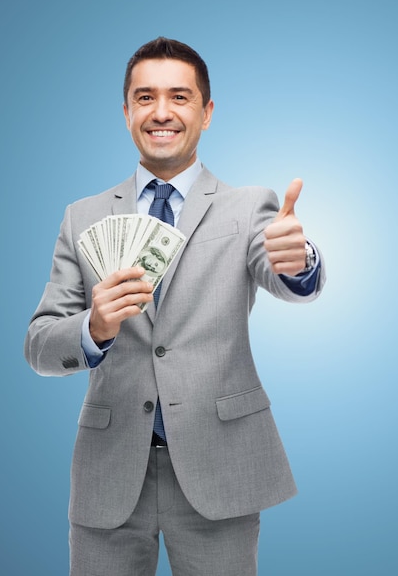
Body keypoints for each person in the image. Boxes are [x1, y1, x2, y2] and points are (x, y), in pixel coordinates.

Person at [24, 37, 325, 576]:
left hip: (221, 464)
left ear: (206, 113)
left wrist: (297, 260)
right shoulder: (82, 216)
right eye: (145, 98)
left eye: (180, 97)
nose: (161, 112)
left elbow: (278, 270)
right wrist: (93, 327)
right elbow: (40, 344)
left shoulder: (247, 206)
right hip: (110, 472)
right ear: (126, 112)